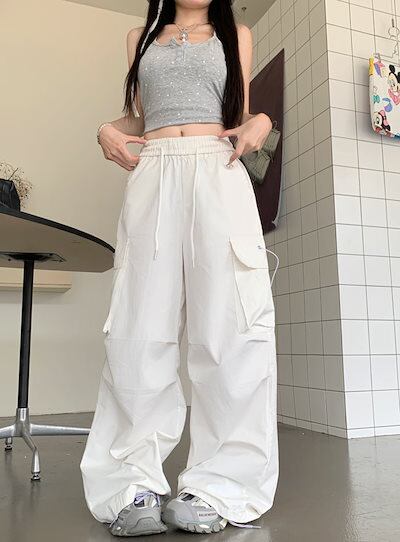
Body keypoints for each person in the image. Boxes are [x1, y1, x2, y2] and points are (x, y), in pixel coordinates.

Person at [79, 0, 279, 537]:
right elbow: (141, 117)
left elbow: (239, 114)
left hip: (219, 168)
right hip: (154, 172)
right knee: (139, 328)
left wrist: (262, 121)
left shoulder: (236, 33)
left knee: (230, 328)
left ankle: (221, 486)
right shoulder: (140, 36)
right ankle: (132, 485)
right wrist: (107, 128)